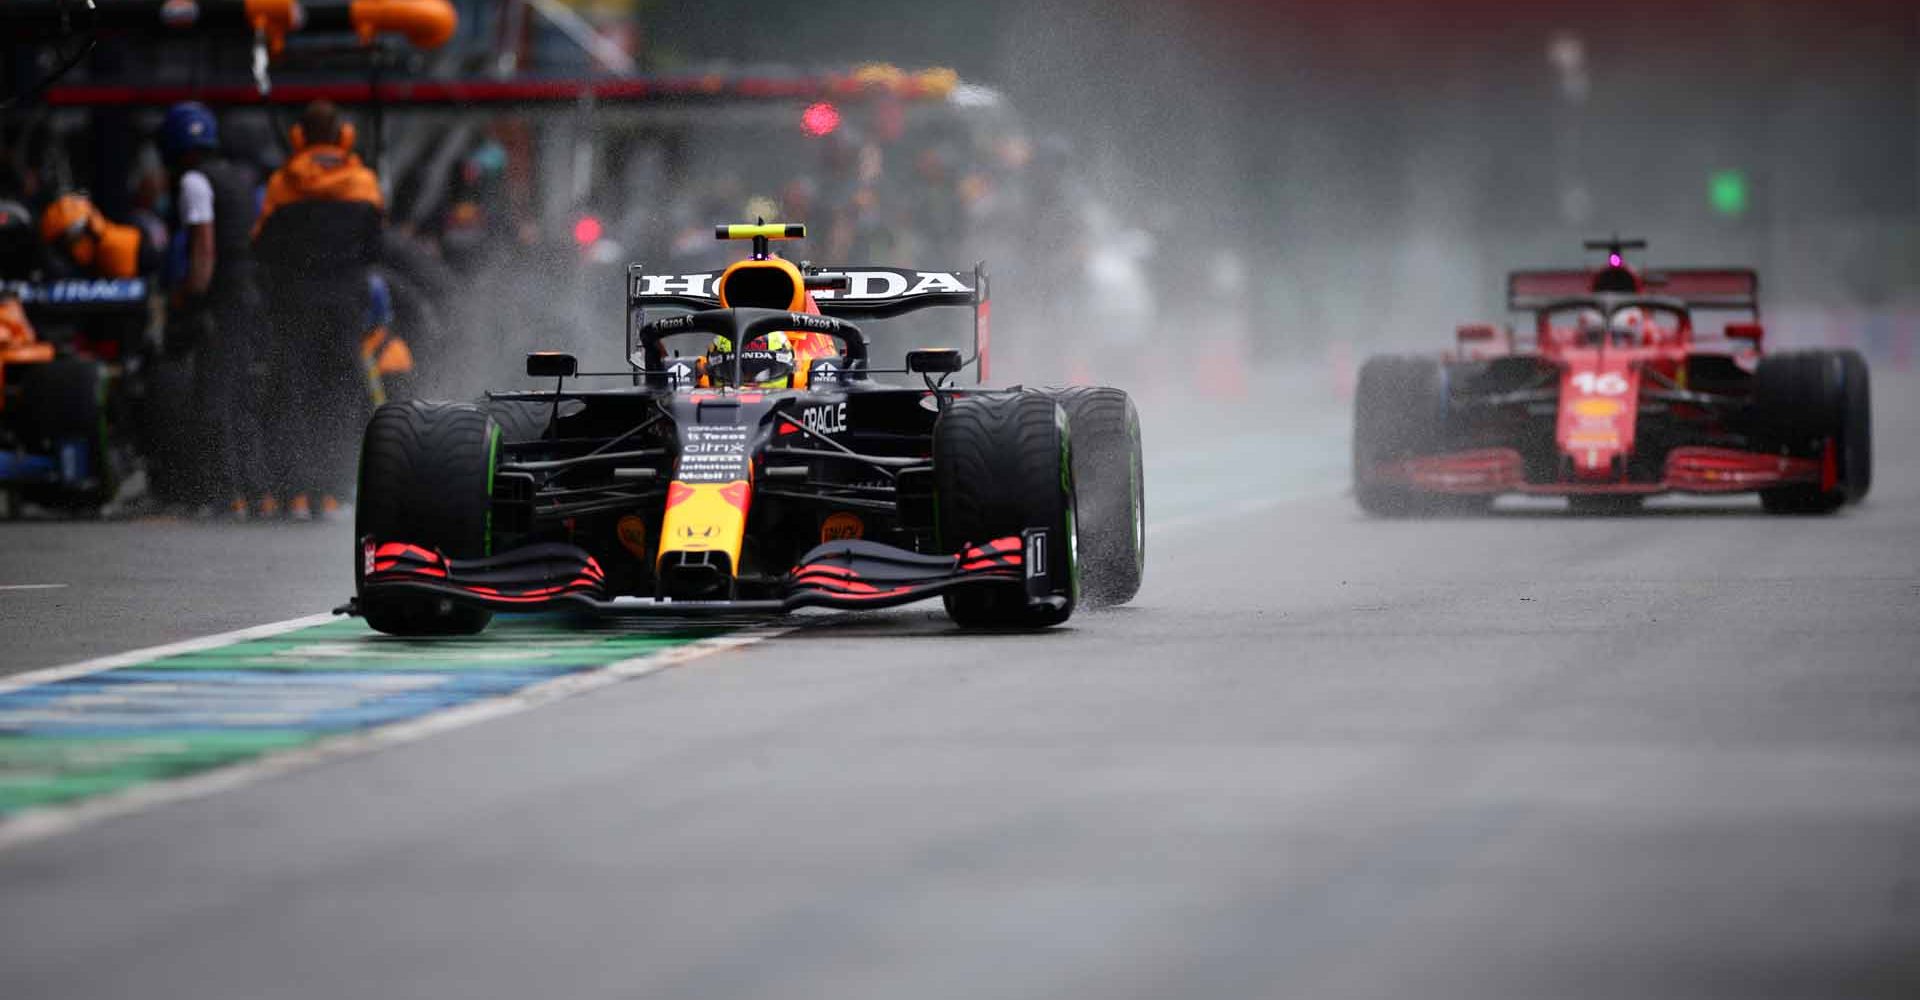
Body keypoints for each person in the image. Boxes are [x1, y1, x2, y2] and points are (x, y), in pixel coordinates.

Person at [252, 100, 383, 520]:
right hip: (344, 303)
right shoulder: (363, 183)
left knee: (291, 393)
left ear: (299, 137)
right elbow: (375, 248)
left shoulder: (281, 185)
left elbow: (262, 247)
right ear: (342, 136)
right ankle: (332, 490)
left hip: (294, 302)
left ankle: (293, 492)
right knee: (341, 393)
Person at [155, 101, 270, 517]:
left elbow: (203, 248)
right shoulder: (240, 177)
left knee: (213, 396)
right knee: (241, 395)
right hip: (251, 291)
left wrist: (188, 295)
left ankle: (224, 494)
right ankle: (258, 493)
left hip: (224, 295)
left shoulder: (195, 183)